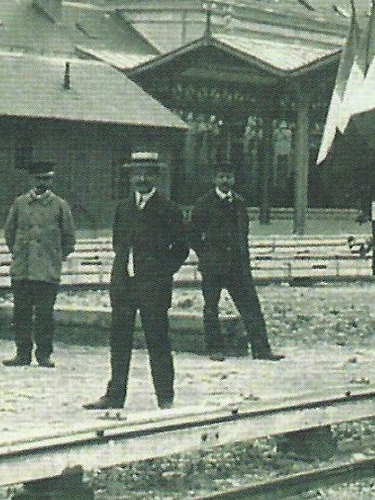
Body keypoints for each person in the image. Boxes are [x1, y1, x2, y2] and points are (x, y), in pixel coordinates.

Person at [84, 151, 190, 410]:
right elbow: (118, 243)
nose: (141, 178)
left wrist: (160, 272)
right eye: (136, 173)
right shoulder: (123, 208)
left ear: (156, 176)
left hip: (153, 287)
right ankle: (115, 395)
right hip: (124, 285)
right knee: (119, 340)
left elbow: (181, 248)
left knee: (158, 340)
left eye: (147, 173)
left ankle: (165, 396)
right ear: (130, 177)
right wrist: (122, 273)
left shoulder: (169, 209)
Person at [190, 161, 283, 361]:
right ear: (215, 179)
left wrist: (244, 258)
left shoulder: (239, 203)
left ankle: (261, 349)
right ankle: (215, 349)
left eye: (229, 177)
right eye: (222, 176)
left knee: (251, 307)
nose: (225, 180)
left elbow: (243, 233)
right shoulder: (203, 204)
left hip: (238, 266)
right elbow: (193, 235)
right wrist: (206, 254)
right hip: (213, 266)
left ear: (234, 179)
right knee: (211, 307)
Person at [3, 160, 77, 368]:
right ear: (31, 179)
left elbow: (69, 238)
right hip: (23, 269)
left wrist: (54, 256)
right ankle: (22, 353)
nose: (42, 184)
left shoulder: (60, 206)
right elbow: (10, 233)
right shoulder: (20, 204)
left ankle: (44, 354)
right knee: (21, 313)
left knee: (45, 314)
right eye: (38, 179)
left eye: (47, 179)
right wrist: (19, 253)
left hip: (47, 270)